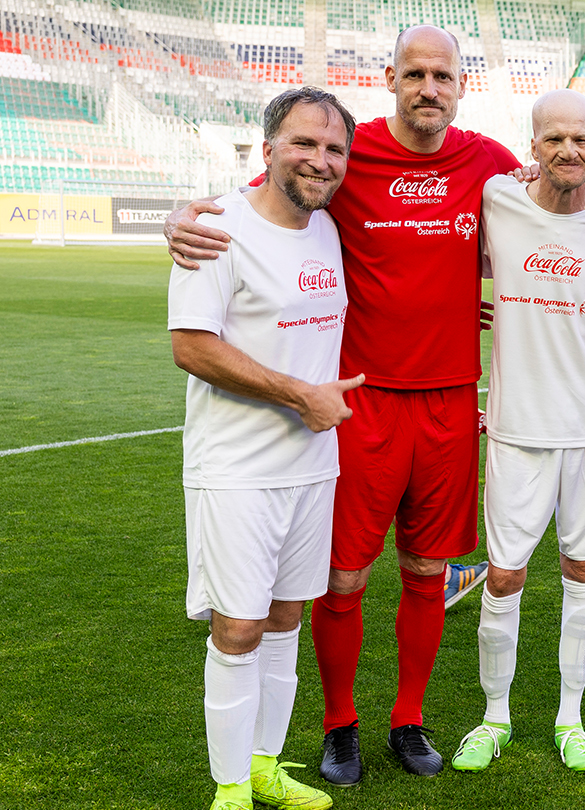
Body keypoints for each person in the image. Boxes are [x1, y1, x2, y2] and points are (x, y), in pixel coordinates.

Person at [164, 25, 522, 783]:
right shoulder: (348, 162)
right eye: (415, 73)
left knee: (428, 569)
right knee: (342, 578)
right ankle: (339, 727)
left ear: (462, 85)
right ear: (391, 77)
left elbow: (558, 204)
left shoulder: (487, 161)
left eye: (444, 76)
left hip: (452, 401)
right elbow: (268, 197)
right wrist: (179, 217)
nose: (430, 88)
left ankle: (408, 719)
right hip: (359, 404)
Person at [168, 86, 357, 810]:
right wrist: (300, 396)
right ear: (270, 147)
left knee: (286, 620)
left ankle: (264, 767)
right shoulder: (218, 226)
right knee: (239, 624)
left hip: (313, 466)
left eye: (334, 148)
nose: (320, 159)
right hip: (235, 469)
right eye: (305, 144)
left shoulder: (328, 226)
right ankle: (227, 789)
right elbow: (191, 346)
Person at [449, 89, 585, 775]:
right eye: (555, 139)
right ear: (532, 145)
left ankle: (571, 719)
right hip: (515, 428)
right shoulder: (498, 200)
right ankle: (493, 717)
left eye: (582, 140)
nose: (569, 150)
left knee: (582, 569)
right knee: (503, 576)